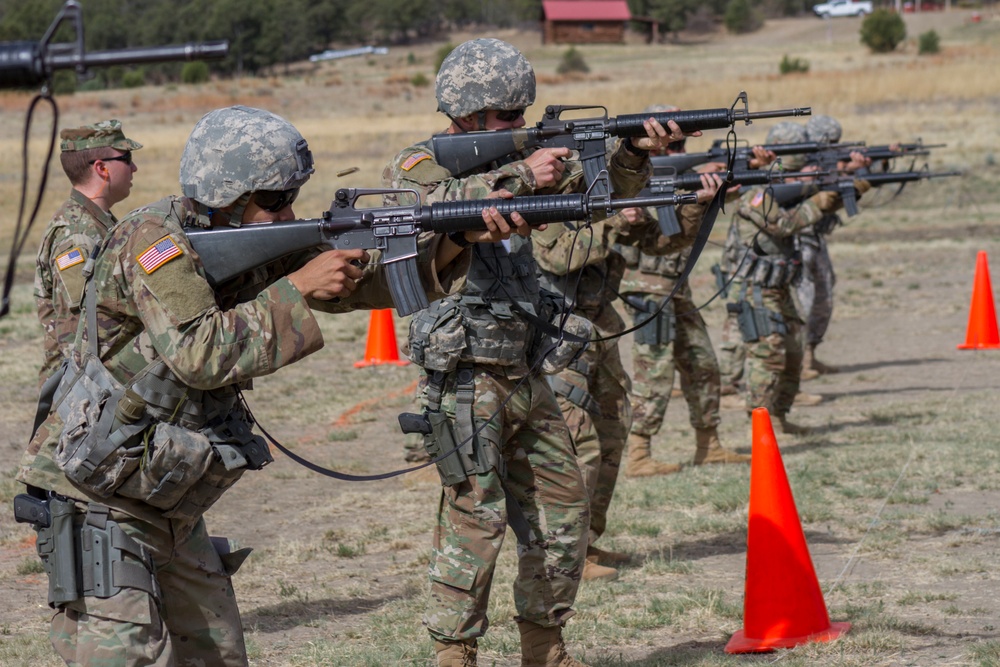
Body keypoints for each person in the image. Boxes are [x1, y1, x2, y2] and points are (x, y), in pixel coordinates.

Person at [16, 104, 515, 667]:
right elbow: (199, 353)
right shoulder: (154, 242)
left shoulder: (245, 237)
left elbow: (364, 282)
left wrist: (456, 237)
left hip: (162, 492)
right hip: (100, 493)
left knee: (219, 656)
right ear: (227, 195)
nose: (288, 213)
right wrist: (296, 289)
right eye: (276, 200)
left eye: (290, 197)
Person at [383, 38, 681, 666]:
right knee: (475, 518)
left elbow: (603, 193)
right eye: (507, 116)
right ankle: (454, 652)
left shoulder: (523, 157)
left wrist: (632, 151)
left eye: (523, 114)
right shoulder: (419, 163)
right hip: (465, 375)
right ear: (466, 115)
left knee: (563, 511)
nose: (520, 125)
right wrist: (523, 175)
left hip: (527, 366)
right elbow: (428, 209)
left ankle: (544, 645)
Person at [616, 105, 751, 477]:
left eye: (678, 146)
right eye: (669, 145)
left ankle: (709, 444)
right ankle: (639, 452)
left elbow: (694, 213)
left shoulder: (681, 175)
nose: (675, 152)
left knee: (702, 363)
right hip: (645, 287)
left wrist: (725, 183)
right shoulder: (626, 178)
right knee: (654, 371)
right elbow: (633, 227)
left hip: (677, 287)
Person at [717, 121, 869, 435]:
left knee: (794, 350)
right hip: (755, 289)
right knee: (768, 355)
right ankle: (761, 425)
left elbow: (813, 207)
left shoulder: (787, 190)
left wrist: (849, 186)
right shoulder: (754, 193)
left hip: (780, 285)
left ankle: (780, 416)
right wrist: (821, 198)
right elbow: (784, 224)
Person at [34, 120, 141, 387]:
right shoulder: (78, 236)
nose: (134, 167)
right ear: (102, 168)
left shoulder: (96, 222)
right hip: (82, 394)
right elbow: (78, 336)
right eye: (126, 158)